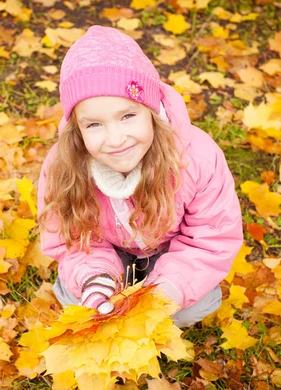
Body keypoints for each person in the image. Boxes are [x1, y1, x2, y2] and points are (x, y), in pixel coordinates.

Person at [37, 25, 243, 327]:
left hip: (171, 250)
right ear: (76, 129)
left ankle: (159, 289)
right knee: (78, 298)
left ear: (152, 111)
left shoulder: (197, 159)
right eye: (94, 125)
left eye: (127, 116)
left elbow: (209, 238)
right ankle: (103, 283)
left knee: (192, 308)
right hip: (107, 249)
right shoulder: (63, 166)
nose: (116, 139)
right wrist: (94, 278)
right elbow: (71, 238)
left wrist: (164, 293)